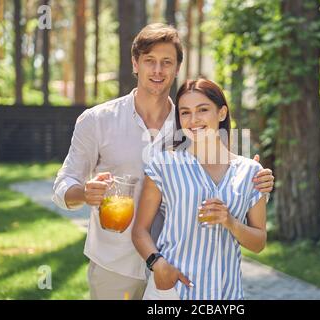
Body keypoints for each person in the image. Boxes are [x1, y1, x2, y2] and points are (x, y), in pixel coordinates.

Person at [52, 23, 274, 300]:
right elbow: (64, 183)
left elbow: (223, 167)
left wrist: (257, 176)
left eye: (166, 62)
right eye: (150, 61)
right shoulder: (97, 121)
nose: (158, 70)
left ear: (177, 67)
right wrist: (84, 193)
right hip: (115, 261)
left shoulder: (189, 121)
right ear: (135, 63)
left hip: (180, 266)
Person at [132, 78, 268, 300]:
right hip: (173, 293)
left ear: (221, 113)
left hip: (227, 295)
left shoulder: (250, 172)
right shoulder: (163, 165)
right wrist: (158, 265)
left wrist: (230, 222)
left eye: (202, 110)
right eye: (185, 112)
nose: (193, 120)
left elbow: (259, 242)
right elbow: (139, 231)